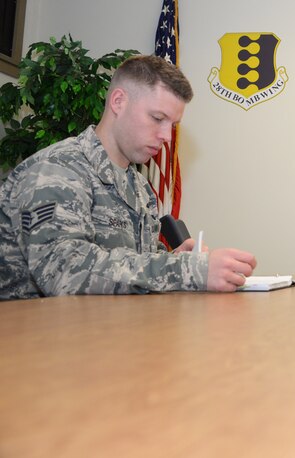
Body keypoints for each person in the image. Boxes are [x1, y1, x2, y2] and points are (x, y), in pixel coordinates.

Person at [0, 55, 256, 300]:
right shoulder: (56, 170)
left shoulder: (140, 187)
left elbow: (133, 264)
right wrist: (187, 270)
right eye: (158, 118)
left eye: (173, 125)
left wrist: (176, 257)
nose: (167, 136)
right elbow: (65, 272)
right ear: (118, 102)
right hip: (29, 337)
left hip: (109, 331)